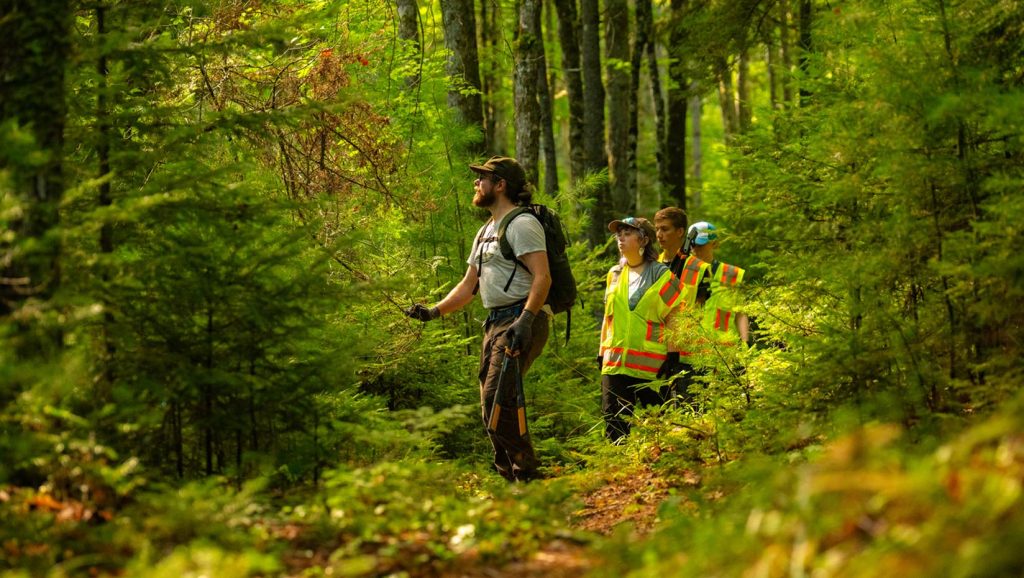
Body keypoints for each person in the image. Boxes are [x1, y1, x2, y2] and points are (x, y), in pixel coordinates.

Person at [405, 156, 551, 483]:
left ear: (500, 185)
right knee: (491, 408)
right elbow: (469, 285)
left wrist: (526, 320)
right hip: (496, 323)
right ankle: (511, 480)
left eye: (482, 178)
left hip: (520, 318)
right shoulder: (485, 230)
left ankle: (527, 479)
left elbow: (543, 278)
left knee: (497, 401)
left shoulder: (523, 224)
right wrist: (433, 311)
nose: (476, 183)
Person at [598, 217, 684, 442]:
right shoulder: (614, 274)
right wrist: (601, 353)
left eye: (627, 233)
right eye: (619, 234)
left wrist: (673, 355)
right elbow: (609, 317)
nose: (620, 237)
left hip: (652, 367)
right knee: (615, 427)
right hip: (615, 364)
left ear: (644, 240)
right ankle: (616, 474)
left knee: (660, 429)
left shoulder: (661, 274)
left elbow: (674, 315)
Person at [654, 207, 712, 404]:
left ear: (680, 232)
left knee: (689, 415)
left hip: (687, 357)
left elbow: (703, 313)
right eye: (657, 229)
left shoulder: (700, 269)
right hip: (654, 353)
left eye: (665, 229)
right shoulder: (651, 266)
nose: (659, 234)